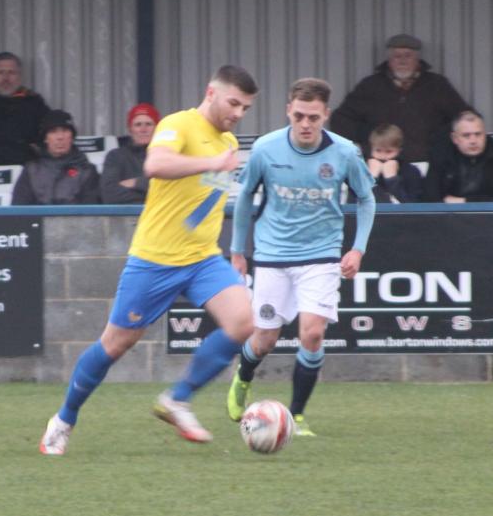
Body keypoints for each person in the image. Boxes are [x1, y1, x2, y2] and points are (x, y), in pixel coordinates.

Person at [39, 65, 259, 456]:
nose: (239, 113)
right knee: (115, 344)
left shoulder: (226, 142)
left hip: (203, 259)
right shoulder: (179, 124)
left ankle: (178, 399)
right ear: (211, 93)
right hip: (155, 259)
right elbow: (155, 166)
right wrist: (211, 164)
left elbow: (207, 198)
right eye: (234, 103)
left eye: (245, 107)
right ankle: (64, 420)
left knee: (244, 322)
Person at [226, 78, 376, 436]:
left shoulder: (344, 152)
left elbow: (366, 198)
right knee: (264, 340)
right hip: (273, 254)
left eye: (313, 117)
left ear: (326, 115)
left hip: (321, 256)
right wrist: (237, 251)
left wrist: (358, 248)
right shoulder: (266, 149)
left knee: (312, 334)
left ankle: (296, 416)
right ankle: (243, 377)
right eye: (299, 116)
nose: (305, 124)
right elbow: (244, 197)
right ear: (288, 112)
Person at [330, 33, 472, 162]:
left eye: (408, 55)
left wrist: (440, 145)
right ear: (389, 59)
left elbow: (464, 118)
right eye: (397, 56)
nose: (402, 61)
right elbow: (340, 119)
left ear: (417, 59)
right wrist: (368, 141)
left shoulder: (437, 85)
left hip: (426, 164)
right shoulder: (370, 86)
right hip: (381, 164)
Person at [423, 110, 493, 203]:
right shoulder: (440, 155)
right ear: (454, 138)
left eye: (478, 134)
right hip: (448, 214)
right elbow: (430, 199)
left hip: (492, 214)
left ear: (485, 134)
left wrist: (464, 201)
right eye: (466, 135)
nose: (473, 141)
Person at [11, 110, 101, 205]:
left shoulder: (87, 171)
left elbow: (91, 210)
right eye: (53, 131)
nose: (60, 137)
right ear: (45, 138)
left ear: (71, 137)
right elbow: (19, 209)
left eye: (65, 131)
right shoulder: (31, 170)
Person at [100, 103, 160, 204]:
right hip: (125, 215)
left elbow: (172, 192)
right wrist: (150, 188)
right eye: (138, 125)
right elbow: (109, 196)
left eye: (149, 124)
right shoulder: (115, 157)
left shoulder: (166, 156)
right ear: (130, 129)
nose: (143, 130)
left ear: (157, 128)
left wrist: (136, 183)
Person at [359, 123, 424, 203]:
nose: (383, 156)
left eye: (389, 151)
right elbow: (352, 205)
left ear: (399, 150)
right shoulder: (360, 172)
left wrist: (392, 180)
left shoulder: (411, 172)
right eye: (378, 150)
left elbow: (414, 206)